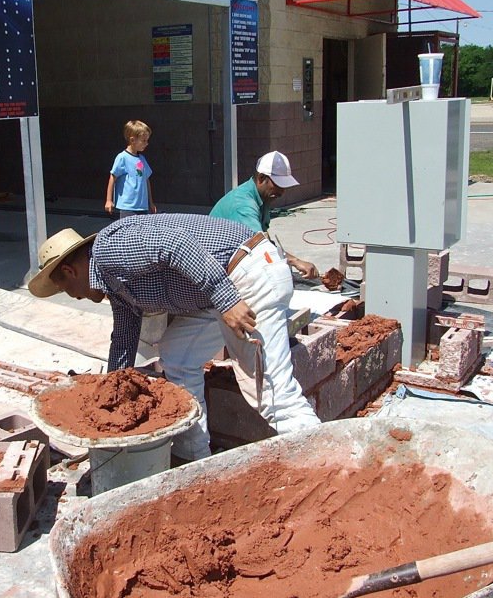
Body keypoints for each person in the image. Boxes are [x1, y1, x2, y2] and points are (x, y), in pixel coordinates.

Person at [27, 214, 321, 461]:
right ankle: (193, 456)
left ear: (70, 271)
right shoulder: (113, 283)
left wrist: (227, 300)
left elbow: (176, 244)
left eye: (66, 290)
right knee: (177, 354)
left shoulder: (108, 248)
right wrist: (112, 388)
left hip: (244, 275)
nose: (74, 297)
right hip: (215, 294)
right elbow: (124, 335)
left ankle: (325, 462)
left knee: (271, 393)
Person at [209, 151, 319, 279]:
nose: (282, 191)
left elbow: (264, 239)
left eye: (284, 186)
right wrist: (295, 261)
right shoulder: (243, 205)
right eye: (278, 185)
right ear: (261, 178)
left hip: (233, 257)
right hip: (216, 267)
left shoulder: (263, 197)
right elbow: (260, 245)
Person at [105, 120, 156, 218]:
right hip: (127, 206)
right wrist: (109, 200)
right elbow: (113, 177)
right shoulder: (122, 157)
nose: (146, 143)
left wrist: (150, 202)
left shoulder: (142, 159)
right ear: (132, 140)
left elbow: (146, 180)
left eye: (147, 140)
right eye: (143, 140)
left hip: (142, 206)